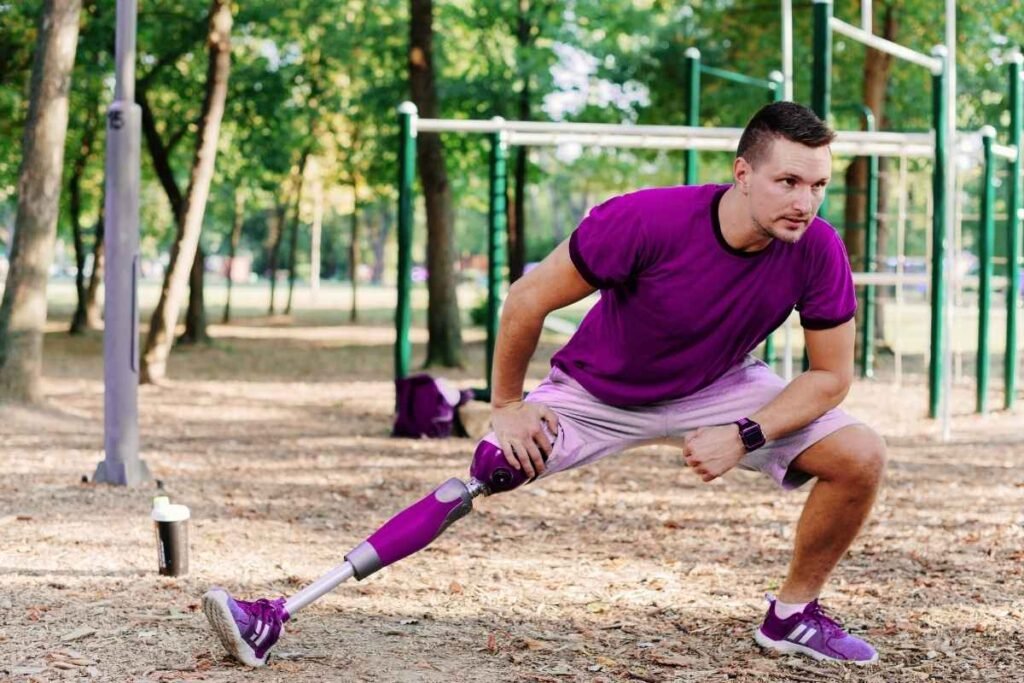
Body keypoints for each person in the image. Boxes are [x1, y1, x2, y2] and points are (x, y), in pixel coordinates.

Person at [203, 101, 885, 667]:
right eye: (788, 181)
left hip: (719, 386)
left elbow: (831, 374)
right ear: (742, 173)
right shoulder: (644, 220)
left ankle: (791, 615)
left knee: (859, 455)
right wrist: (506, 406)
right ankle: (275, 614)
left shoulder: (817, 248)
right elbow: (528, 298)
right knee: (489, 469)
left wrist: (746, 433)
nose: (806, 202)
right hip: (596, 396)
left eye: (818, 185)